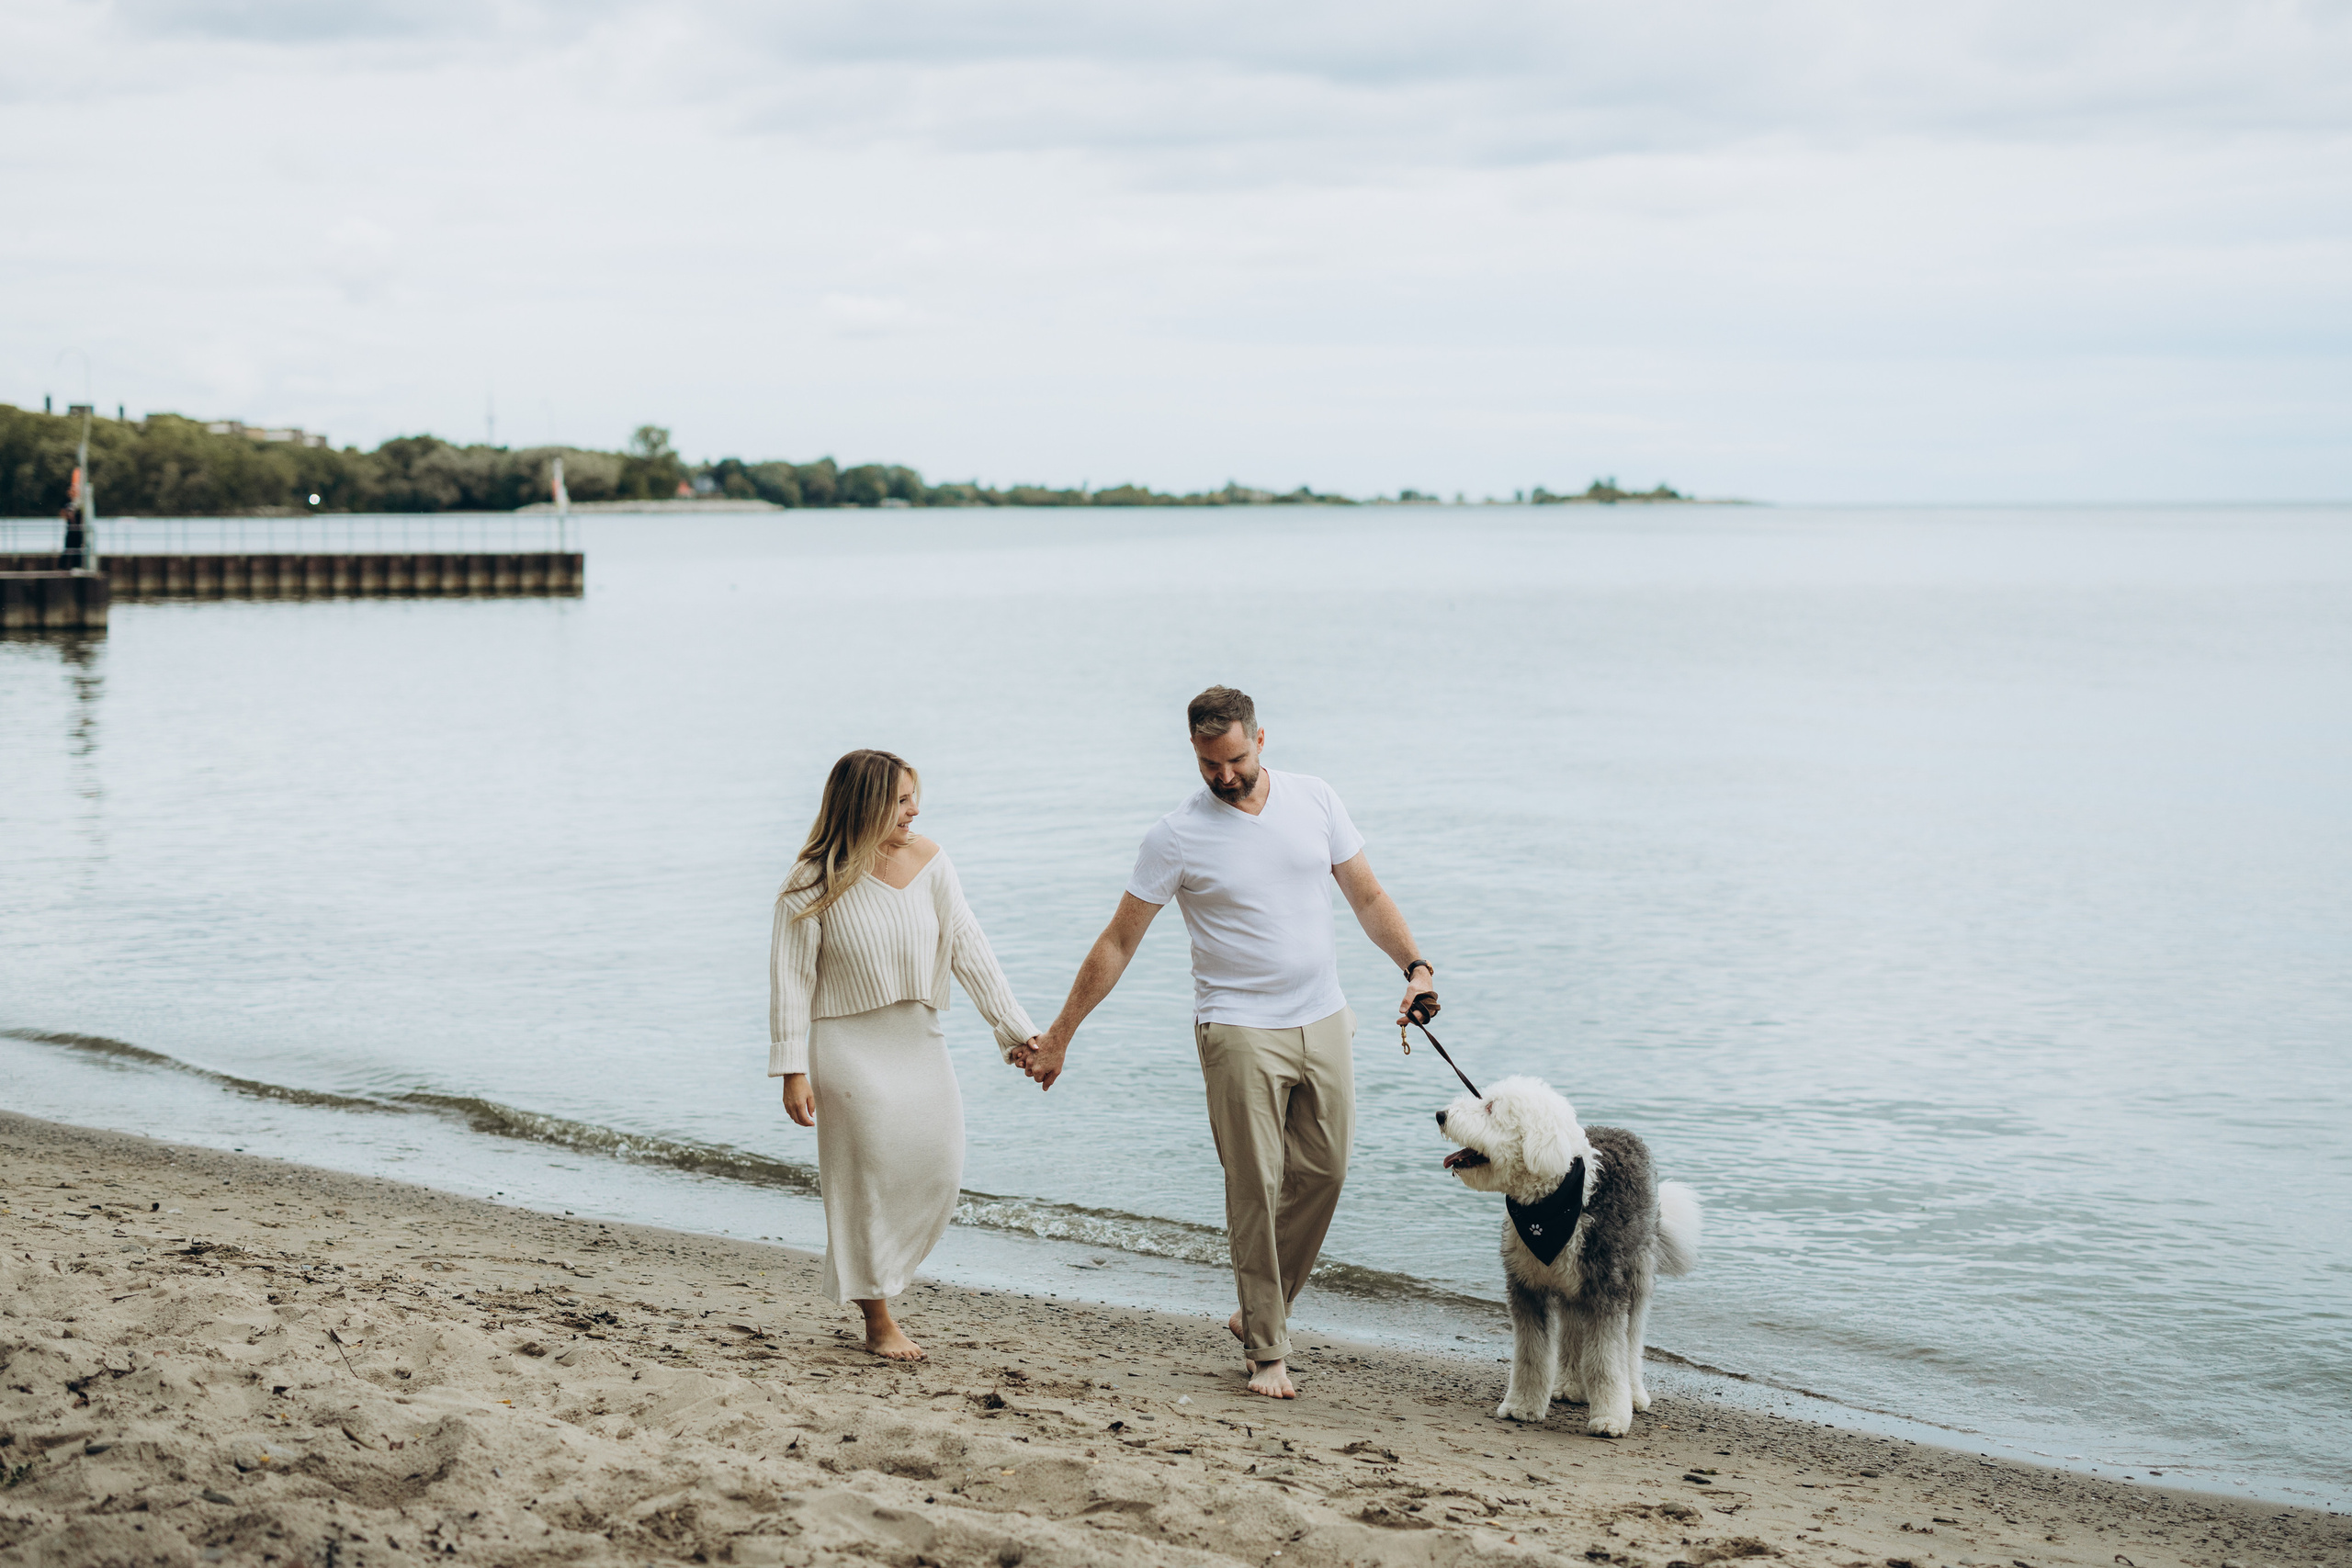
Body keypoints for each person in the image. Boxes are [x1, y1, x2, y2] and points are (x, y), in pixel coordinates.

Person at [1013, 686, 1438, 1398]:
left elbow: (1366, 894)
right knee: (1255, 1187)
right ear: (1195, 753)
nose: (1225, 776)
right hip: (1238, 1027)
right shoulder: (1176, 835)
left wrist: (1415, 966)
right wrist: (1059, 1035)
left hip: (1325, 1015)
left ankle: (1256, 1310)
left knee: (1326, 1172)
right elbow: (1119, 941)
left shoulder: (1317, 800)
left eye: (1236, 758)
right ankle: (1268, 1348)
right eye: (1211, 764)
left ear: (1262, 739)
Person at [769, 749, 1039, 1360]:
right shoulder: (810, 880)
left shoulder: (932, 861)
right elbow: (790, 980)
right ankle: (877, 1317)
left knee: (939, 1167)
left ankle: (881, 1275)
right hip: (846, 1047)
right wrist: (792, 1069)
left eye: (914, 796)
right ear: (862, 804)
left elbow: (969, 945)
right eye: (900, 799)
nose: (914, 809)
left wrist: (1016, 1031)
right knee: (864, 1183)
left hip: (918, 1038)